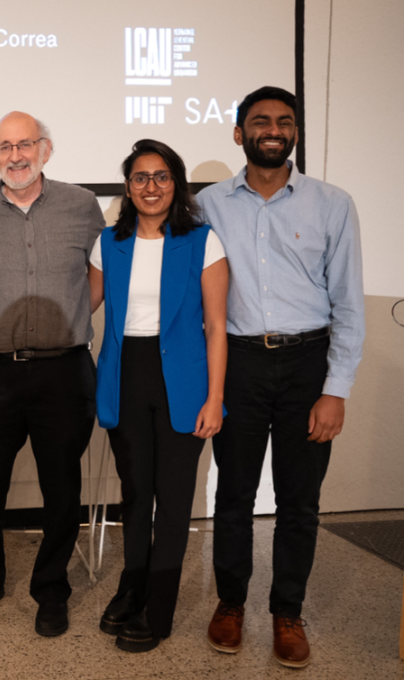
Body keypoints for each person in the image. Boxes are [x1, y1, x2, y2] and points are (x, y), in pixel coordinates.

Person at [197, 86, 364, 669]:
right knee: (235, 494)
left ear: (294, 132)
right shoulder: (208, 204)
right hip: (238, 363)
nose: (274, 129)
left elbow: (347, 302)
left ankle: (287, 612)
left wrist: (335, 389)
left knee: (300, 500)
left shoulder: (332, 203)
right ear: (239, 133)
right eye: (260, 121)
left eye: (285, 121)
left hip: (307, 365)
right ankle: (231, 604)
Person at [0, 112, 105, 636]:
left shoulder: (83, 205)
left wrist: (70, 316)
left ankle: (51, 589)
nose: (15, 155)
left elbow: (100, 269)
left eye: (25, 145)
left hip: (62, 374)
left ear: (46, 148)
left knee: (62, 488)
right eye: (4, 147)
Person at [87, 140, 229, 652]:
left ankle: (159, 610)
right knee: (135, 494)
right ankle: (133, 585)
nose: (151, 186)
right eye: (141, 177)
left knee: (172, 502)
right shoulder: (109, 241)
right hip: (127, 376)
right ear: (128, 186)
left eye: (162, 176)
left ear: (177, 183)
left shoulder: (202, 241)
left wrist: (214, 399)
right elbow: (83, 306)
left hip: (185, 384)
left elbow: (216, 326)